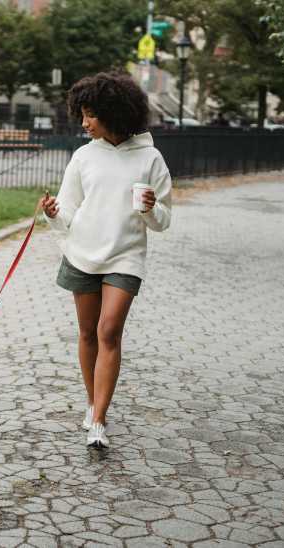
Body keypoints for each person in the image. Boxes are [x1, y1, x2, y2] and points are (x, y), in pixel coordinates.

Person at [40, 71, 172, 449]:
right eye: (81, 114)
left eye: (90, 115)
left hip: (125, 257)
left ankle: (98, 421)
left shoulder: (150, 158)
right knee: (86, 333)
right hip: (82, 254)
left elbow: (164, 219)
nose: (84, 123)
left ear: (113, 113)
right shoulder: (83, 156)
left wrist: (150, 210)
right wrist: (52, 213)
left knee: (108, 331)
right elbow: (66, 213)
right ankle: (91, 401)